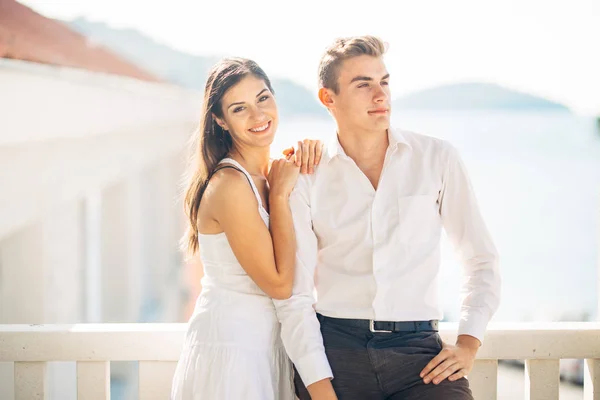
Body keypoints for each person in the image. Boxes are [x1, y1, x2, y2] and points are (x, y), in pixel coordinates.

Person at [274, 35, 502, 400]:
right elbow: (296, 295)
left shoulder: (437, 158)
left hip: (420, 356)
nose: (380, 95)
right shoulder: (307, 174)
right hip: (336, 351)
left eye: (384, 82)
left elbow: (481, 259)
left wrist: (469, 342)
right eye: (363, 85)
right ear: (327, 98)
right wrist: (319, 386)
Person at [170, 57, 324, 400]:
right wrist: (281, 196)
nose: (258, 116)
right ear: (220, 121)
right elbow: (281, 285)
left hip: (266, 346)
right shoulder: (230, 184)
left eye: (263, 98)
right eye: (239, 109)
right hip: (232, 352)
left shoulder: (266, 174)